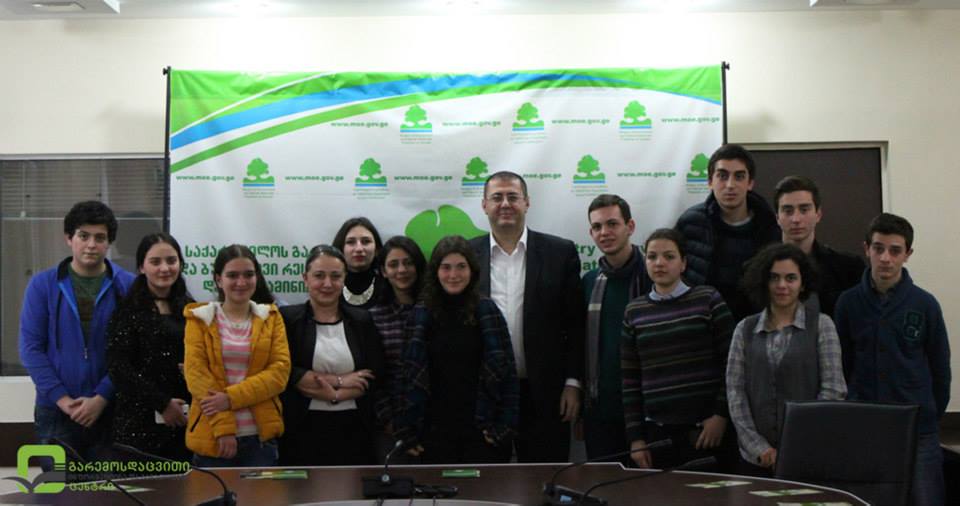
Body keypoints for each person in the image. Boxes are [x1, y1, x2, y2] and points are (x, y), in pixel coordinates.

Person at [834, 213, 950, 506]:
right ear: (867, 249)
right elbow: (843, 363)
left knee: (926, 498)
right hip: (865, 422)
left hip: (918, 425)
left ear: (908, 254)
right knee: (868, 499)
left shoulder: (925, 304)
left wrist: (929, 413)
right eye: (878, 248)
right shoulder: (848, 302)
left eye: (895, 250)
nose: (885, 258)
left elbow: (940, 369)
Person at [469, 171, 585, 463]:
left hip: (546, 393)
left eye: (513, 197)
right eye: (497, 197)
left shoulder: (560, 253)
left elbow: (576, 325)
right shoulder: (467, 256)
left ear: (527, 203)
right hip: (486, 396)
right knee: (488, 481)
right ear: (484, 205)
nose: (505, 204)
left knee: (545, 476)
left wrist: (573, 383)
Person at [19, 201, 136, 467]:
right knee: (56, 489)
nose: (91, 245)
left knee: (109, 490)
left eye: (100, 238)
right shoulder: (42, 285)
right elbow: (30, 349)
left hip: (110, 410)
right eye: (83, 236)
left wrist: (102, 396)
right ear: (69, 238)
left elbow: (132, 351)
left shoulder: (128, 286)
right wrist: (62, 399)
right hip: (55, 412)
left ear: (109, 242)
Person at [396, 235, 519, 464]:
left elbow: (508, 375)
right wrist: (406, 430)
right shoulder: (420, 314)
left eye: (461, 266)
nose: (453, 275)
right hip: (431, 433)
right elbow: (405, 376)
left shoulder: (488, 310)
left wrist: (503, 427)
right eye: (446, 267)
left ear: (472, 270)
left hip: (482, 430)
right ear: (435, 271)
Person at [726, 243, 846, 476]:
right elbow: (735, 393)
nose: (782, 285)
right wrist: (758, 447)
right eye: (774, 278)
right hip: (755, 460)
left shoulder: (822, 325)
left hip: (808, 455)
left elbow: (834, 390)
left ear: (803, 283)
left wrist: (796, 445)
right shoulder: (744, 328)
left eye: (791, 278)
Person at [622, 228, 735, 470]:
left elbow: (733, 364)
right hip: (657, 432)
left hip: (706, 429)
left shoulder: (708, 299)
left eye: (669, 256)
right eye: (652, 256)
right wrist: (636, 438)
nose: (659, 263)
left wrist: (720, 415)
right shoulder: (634, 311)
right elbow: (630, 380)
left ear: (683, 263)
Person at [183, 245, 290, 467]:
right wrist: (224, 428)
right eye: (232, 275)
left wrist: (230, 398)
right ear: (218, 279)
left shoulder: (271, 317)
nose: (241, 282)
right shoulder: (199, 319)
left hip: (260, 439)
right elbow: (197, 376)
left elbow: (279, 373)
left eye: (248, 275)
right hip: (214, 437)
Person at [279, 245, 386, 466]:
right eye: (319, 276)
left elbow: (375, 373)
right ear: (305, 278)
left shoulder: (362, 320)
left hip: (355, 429)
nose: (327, 284)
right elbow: (287, 373)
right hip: (302, 430)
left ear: (344, 279)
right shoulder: (288, 320)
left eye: (335, 276)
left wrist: (335, 395)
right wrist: (341, 381)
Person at [106, 233, 193, 462]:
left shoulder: (191, 309)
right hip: (138, 425)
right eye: (155, 262)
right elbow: (118, 368)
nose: (165, 268)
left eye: (171, 261)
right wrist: (162, 403)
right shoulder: (127, 311)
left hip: (184, 423)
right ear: (141, 267)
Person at [675, 144, 780, 321]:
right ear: (710, 181)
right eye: (722, 176)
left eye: (739, 176)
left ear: (750, 183)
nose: (730, 185)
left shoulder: (770, 226)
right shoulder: (690, 223)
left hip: (755, 326)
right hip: (702, 325)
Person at [580, 194, 649, 462]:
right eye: (597, 227)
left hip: (648, 409)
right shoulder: (588, 282)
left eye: (612, 224)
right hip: (600, 409)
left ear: (630, 226)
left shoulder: (654, 275)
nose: (604, 232)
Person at [368, 236, 427, 461]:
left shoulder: (435, 311)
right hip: (389, 426)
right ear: (383, 271)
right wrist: (393, 425)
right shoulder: (373, 318)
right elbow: (373, 378)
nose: (402, 270)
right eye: (393, 264)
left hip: (434, 424)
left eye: (408, 263)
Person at [773, 175, 863, 317]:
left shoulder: (848, 269)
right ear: (777, 217)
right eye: (788, 211)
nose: (796, 219)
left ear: (818, 214)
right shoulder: (759, 271)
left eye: (804, 209)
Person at [333, 217, 389, 309]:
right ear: (341, 249)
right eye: (351, 242)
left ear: (377, 249)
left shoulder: (390, 285)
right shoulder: (329, 285)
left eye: (366, 241)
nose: (359, 249)